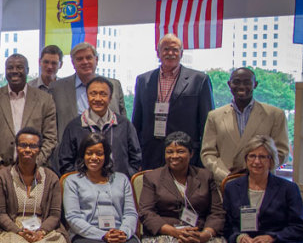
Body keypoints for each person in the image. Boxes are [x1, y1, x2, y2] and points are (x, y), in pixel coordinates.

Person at [132, 34, 213, 169]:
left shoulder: (199, 80)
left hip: (185, 154)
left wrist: (201, 159)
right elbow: (137, 122)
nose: (170, 53)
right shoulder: (143, 80)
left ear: (181, 53)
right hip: (150, 155)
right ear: (158, 53)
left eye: (175, 50)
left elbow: (206, 124)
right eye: (166, 49)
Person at [201, 67, 290, 185]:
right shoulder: (214, 116)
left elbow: (281, 151)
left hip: (261, 183)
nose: (241, 86)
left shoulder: (275, 115)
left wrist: (253, 170)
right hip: (224, 183)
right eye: (236, 82)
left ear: (255, 84)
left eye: (247, 82)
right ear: (229, 84)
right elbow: (208, 153)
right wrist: (226, 176)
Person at [0, 54, 57, 176]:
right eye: (10, 68)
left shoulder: (45, 100)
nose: (14, 71)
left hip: (34, 174)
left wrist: (33, 165)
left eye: (19, 67)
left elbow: (50, 138)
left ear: (27, 70)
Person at [50, 42, 125, 156]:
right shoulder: (56, 88)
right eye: (79, 59)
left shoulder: (114, 85)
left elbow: (122, 122)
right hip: (71, 154)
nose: (85, 62)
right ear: (73, 63)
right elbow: (51, 125)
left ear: (96, 60)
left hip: (108, 153)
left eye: (89, 57)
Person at [56, 76, 141, 176]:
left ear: (110, 98)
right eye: (93, 94)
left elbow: (136, 157)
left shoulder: (124, 124)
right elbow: (65, 161)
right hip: (83, 188)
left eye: (103, 94)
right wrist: (78, 183)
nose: (97, 98)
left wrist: (125, 178)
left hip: (117, 187)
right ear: (87, 97)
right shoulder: (74, 126)